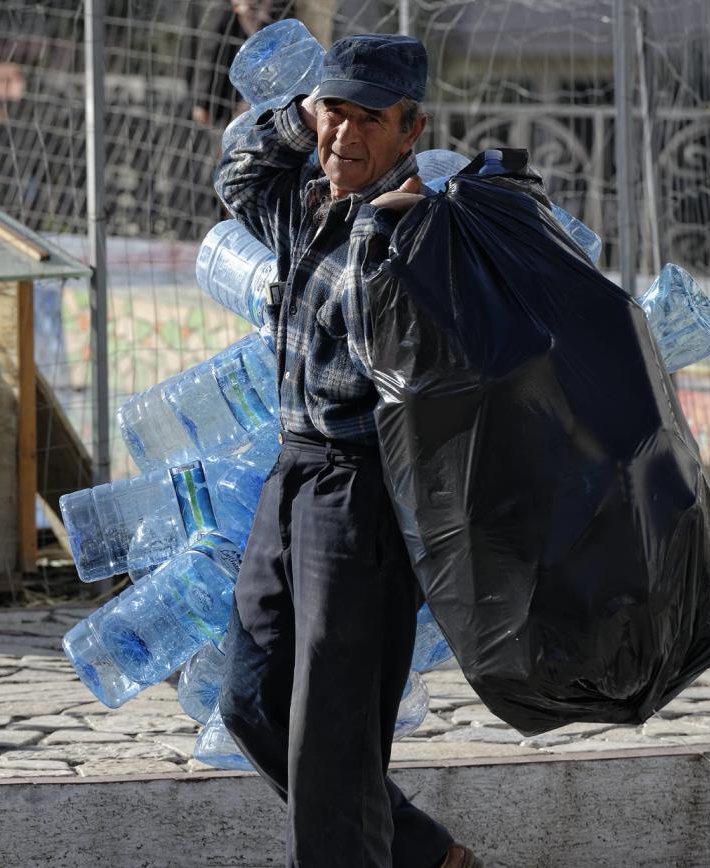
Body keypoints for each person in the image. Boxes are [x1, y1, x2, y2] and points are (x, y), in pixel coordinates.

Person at [213, 33, 481, 868]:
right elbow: (235, 177)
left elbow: (386, 344)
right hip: (292, 471)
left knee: (331, 737)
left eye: (372, 119)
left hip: (364, 498)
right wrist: (300, 121)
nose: (346, 136)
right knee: (249, 703)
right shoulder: (305, 198)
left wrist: (377, 230)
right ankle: (422, 852)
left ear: (413, 130)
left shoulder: (423, 232)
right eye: (336, 111)